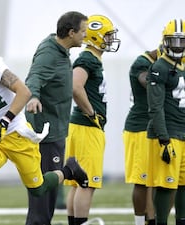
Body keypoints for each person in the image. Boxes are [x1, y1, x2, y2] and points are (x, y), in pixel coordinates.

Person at [0, 27, 89, 225]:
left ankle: (68, 170)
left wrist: (5, 120)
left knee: (37, 188)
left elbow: (24, 91)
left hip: (16, 132)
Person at [24, 11, 88, 225]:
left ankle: (69, 169)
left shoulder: (60, 49)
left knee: (46, 194)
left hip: (55, 130)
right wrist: (33, 96)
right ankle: (70, 170)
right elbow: (34, 76)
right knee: (43, 194)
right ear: (71, 33)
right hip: (45, 135)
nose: (85, 36)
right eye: (83, 32)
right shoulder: (49, 54)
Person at [63, 14, 121, 225]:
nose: (111, 39)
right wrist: (90, 112)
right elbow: (75, 87)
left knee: (78, 182)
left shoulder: (92, 58)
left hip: (81, 127)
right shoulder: (87, 58)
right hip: (86, 127)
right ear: (96, 36)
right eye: (107, 35)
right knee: (87, 182)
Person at [146, 18, 185, 225]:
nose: (178, 46)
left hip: (183, 133)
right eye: (174, 41)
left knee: (183, 183)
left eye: (182, 41)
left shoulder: (182, 66)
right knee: (166, 184)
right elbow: (155, 107)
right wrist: (163, 138)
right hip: (168, 134)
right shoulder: (159, 67)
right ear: (164, 41)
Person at [123, 48, 159, 225]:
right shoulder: (142, 62)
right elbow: (148, 82)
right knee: (142, 180)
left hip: (157, 126)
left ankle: (151, 220)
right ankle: (139, 222)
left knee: (157, 180)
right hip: (139, 128)